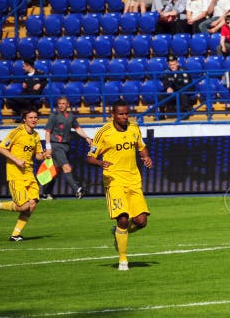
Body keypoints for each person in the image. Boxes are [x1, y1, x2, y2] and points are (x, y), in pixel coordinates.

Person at [86, 103, 153, 271]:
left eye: (126, 114)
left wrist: (146, 157)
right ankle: (123, 260)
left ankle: (119, 234)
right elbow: (90, 157)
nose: (124, 117)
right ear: (113, 115)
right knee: (122, 219)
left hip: (133, 180)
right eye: (121, 114)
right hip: (114, 181)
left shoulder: (134, 129)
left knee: (141, 221)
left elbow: (141, 147)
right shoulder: (103, 132)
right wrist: (101, 162)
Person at [0, 109, 52, 242]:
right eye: (31, 117)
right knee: (23, 206)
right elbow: (0, 148)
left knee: (32, 204)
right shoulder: (16, 132)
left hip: (29, 174)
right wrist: (16, 160)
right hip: (15, 173)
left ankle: (15, 235)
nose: (34, 119)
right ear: (25, 119)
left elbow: (38, 155)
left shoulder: (35, 135)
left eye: (36, 117)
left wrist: (44, 155)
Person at [40, 97, 91, 201]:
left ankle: (46, 193)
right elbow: (47, 132)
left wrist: (86, 137)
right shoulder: (53, 116)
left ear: (68, 105)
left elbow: (77, 128)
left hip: (65, 146)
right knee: (66, 167)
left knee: (55, 170)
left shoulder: (71, 116)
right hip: (56, 145)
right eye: (59, 103)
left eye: (63, 103)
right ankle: (77, 190)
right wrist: (48, 147)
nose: (61, 105)